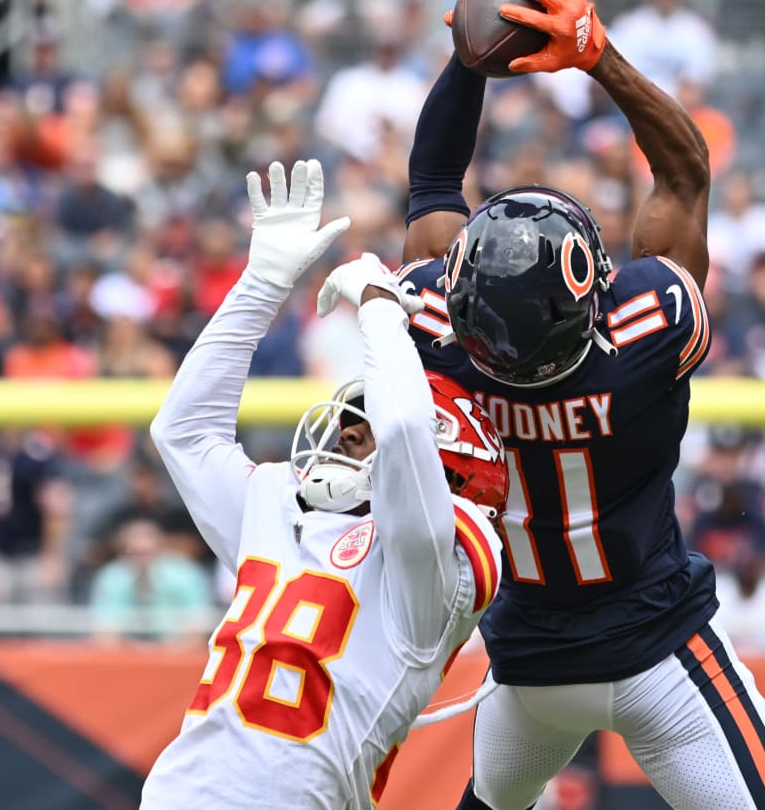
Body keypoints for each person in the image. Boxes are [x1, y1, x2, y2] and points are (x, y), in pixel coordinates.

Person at [398, 0, 765, 810]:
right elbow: (686, 172)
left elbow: (433, 180)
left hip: (528, 665)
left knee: (494, 801)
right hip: (660, 650)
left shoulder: (429, 324)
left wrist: (468, 59)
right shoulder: (650, 323)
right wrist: (595, 53)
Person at [141, 159, 509, 808]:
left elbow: (401, 434)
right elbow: (183, 431)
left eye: (357, 426)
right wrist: (261, 283)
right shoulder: (281, 510)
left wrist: (380, 311)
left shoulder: (432, 576)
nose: (345, 433)